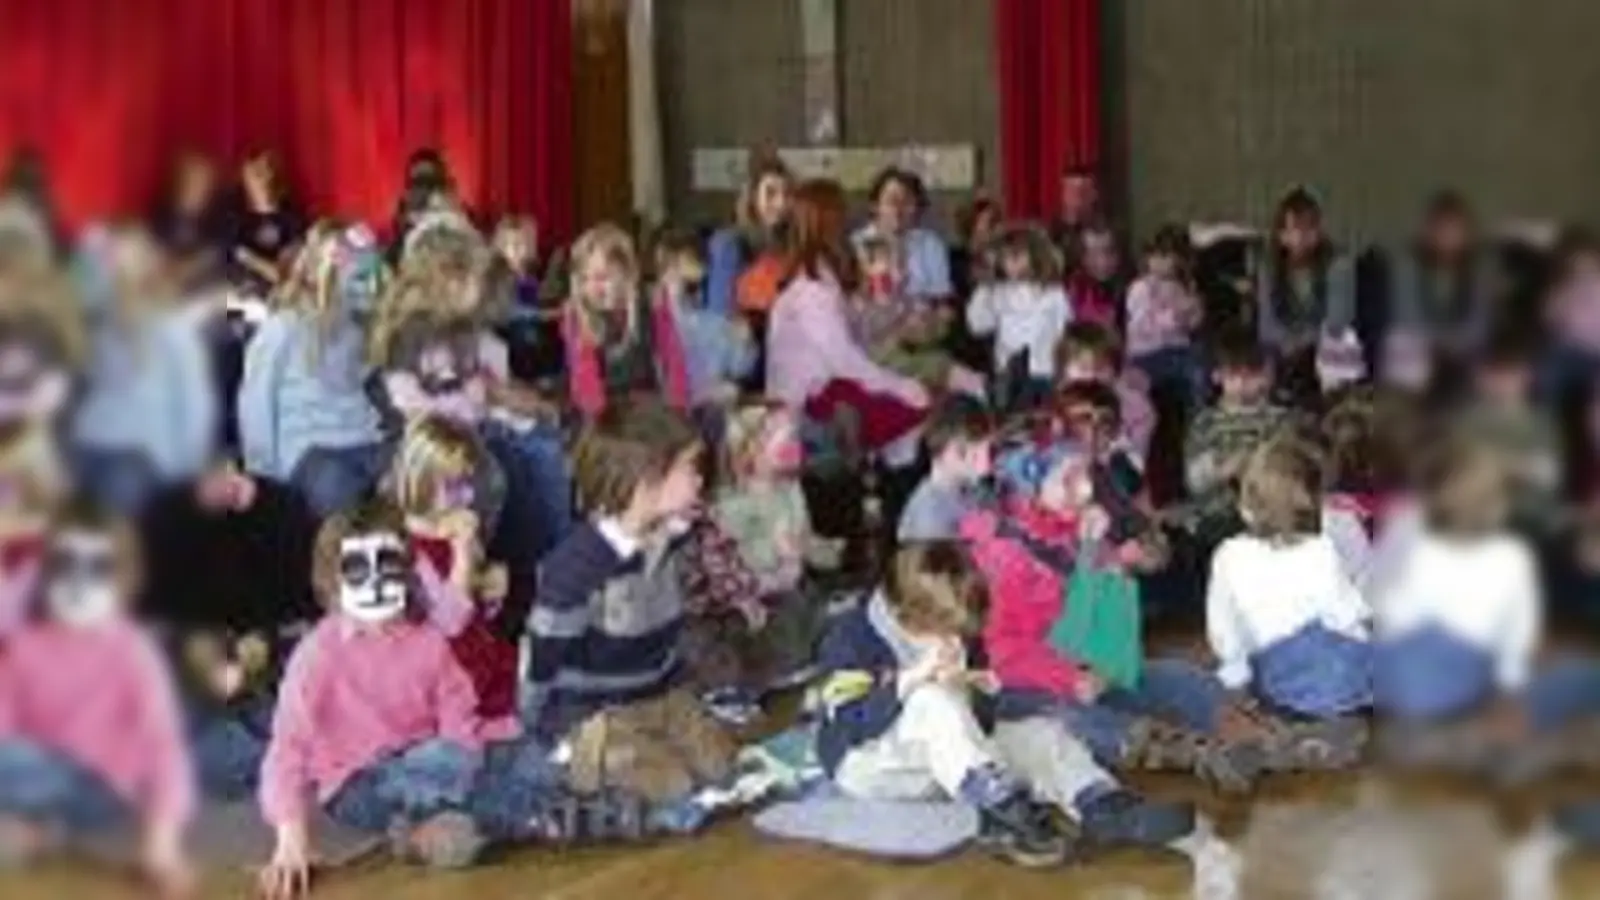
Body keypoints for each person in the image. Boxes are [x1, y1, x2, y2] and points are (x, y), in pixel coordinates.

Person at [257, 499, 619, 899]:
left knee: (495, 756)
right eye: (358, 569)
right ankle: (546, 816)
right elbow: (286, 748)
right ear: (333, 580)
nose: (375, 582)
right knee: (447, 781)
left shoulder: (429, 641)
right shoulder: (317, 655)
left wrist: (485, 757)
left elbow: (459, 725)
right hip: (359, 780)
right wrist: (290, 836)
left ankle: (441, 828)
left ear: (407, 569)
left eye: (388, 565)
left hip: (434, 762)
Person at [521, 400, 738, 809]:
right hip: (594, 710)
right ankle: (578, 763)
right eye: (689, 469)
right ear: (644, 478)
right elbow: (543, 658)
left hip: (658, 696)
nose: (699, 479)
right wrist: (538, 726)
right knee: (671, 786)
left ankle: (640, 753)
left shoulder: (671, 538)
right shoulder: (578, 565)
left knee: (722, 767)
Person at [0, 504, 196, 896]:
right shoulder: (22, 646)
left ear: (125, 578)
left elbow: (164, 748)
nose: (78, 583)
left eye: (98, 569)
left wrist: (163, 845)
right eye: (65, 567)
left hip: (102, 790)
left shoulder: (133, 650)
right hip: (33, 775)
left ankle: (38, 830)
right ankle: (39, 830)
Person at [765, 178, 929, 520]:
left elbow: (860, 334)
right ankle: (892, 515)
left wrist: (890, 299)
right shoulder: (811, 288)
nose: (848, 223)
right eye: (841, 215)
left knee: (916, 401)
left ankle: (890, 508)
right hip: (807, 406)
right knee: (916, 403)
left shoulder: (823, 277)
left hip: (828, 391)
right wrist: (899, 386)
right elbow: (844, 360)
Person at [236, 222, 388, 518]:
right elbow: (255, 402)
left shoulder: (358, 330)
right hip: (308, 449)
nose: (372, 287)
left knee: (410, 474)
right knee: (335, 486)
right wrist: (263, 480)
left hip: (362, 439)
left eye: (373, 276)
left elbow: (358, 387)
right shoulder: (284, 327)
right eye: (360, 277)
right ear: (327, 276)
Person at [680, 401, 819, 722]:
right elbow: (728, 568)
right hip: (750, 598)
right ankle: (754, 682)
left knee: (803, 607)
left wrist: (808, 549)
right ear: (750, 448)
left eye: (794, 435)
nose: (793, 443)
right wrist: (776, 557)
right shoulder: (730, 505)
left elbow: (804, 535)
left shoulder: (791, 489)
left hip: (790, 586)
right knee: (762, 625)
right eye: (783, 437)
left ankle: (792, 670)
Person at [69, 226, 219, 518]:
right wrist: (93, 247)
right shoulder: (99, 324)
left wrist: (185, 473)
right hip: (93, 446)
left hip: (135, 458)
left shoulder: (170, 327)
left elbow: (195, 404)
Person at [389, 416, 519, 736]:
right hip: (436, 665)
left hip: (476, 645)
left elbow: (474, 604)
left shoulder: (454, 522)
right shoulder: (406, 548)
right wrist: (461, 550)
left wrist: (490, 590)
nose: (467, 497)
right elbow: (449, 622)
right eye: (452, 486)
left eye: (466, 484)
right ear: (419, 481)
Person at [561, 223, 690, 419]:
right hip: (604, 411)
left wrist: (678, 410)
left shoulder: (652, 303)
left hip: (646, 402)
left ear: (628, 274)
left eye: (602, 278)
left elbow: (673, 359)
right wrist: (603, 420)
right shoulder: (577, 315)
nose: (593, 288)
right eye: (585, 279)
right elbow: (585, 379)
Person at [654, 227, 755, 438]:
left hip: (707, 407)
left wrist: (745, 341)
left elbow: (740, 366)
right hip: (676, 411)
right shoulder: (654, 316)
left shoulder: (711, 318)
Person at [965, 223, 1071, 413]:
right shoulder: (997, 292)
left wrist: (1063, 369)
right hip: (1008, 374)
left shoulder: (1053, 293)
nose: (1010, 263)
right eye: (1005, 258)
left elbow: (1063, 330)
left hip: (1045, 371)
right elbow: (977, 325)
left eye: (1016, 256)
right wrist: (984, 288)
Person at [1255, 188, 1357, 366]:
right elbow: (1267, 327)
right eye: (1295, 228)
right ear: (1282, 235)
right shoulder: (1269, 267)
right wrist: (1288, 345)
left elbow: (1338, 323)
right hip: (1283, 352)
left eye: (1310, 227)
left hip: (1327, 354)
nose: (1302, 236)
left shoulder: (1338, 265)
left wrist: (1303, 343)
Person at [1125, 224, 1206, 410]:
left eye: (1170, 257)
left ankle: (1198, 415)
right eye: (1158, 256)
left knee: (1199, 369)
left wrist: (1195, 312)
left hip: (1178, 350)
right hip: (1146, 353)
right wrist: (1176, 317)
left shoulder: (1183, 287)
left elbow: (1193, 326)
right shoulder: (1141, 288)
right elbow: (1142, 323)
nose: (1163, 262)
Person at [898, 396, 996, 543]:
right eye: (975, 456)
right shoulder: (930, 516)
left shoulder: (967, 489)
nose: (986, 467)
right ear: (951, 452)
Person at [706, 153, 793, 318]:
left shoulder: (789, 242)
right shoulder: (729, 243)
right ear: (753, 196)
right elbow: (720, 315)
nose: (780, 203)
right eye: (771, 193)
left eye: (786, 194)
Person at [852, 167, 952, 304]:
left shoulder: (930, 244)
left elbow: (941, 296)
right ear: (875, 206)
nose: (898, 209)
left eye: (906, 202)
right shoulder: (858, 244)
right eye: (891, 201)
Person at [149, 151, 228, 291]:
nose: (199, 188)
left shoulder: (216, 215)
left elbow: (219, 251)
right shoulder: (162, 215)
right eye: (193, 180)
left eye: (204, 182)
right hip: (172, 289)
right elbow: (156, 251)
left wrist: (192, 264)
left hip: (207, 289)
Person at [229, 150, 304, 296]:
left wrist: (276, 269)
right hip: (243, 290)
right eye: (255, 174)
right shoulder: (237, 215)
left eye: (265, 171)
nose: (262, 179)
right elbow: (235, 252)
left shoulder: (290, 215)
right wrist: (260, 265)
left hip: (281, 291)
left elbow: (288, 262)